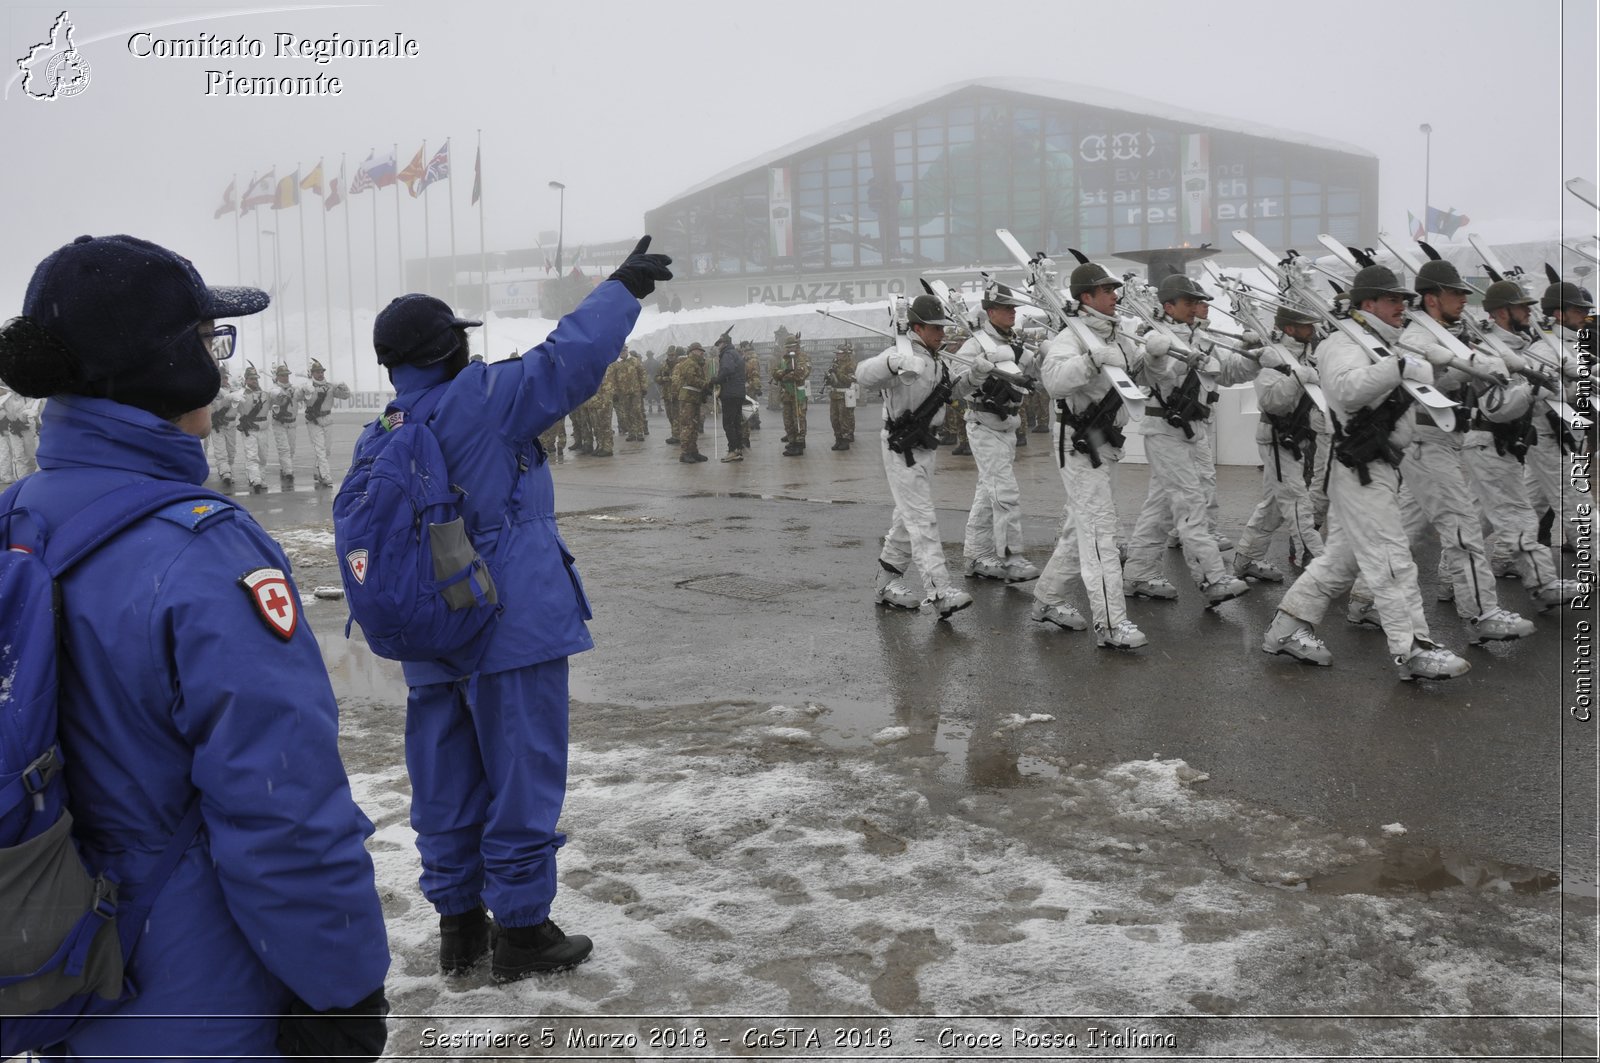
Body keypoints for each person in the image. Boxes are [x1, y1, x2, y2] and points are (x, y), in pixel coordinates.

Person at [0, 233, 390, 1058]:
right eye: (209, 339)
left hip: (55, 947)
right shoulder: (202, 549)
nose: (217, 356)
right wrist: (344, 986)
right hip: (195, 983)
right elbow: (281, 803)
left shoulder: (15, 519)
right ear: (171, 365)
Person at [360, 236, 671, 982]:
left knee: (445, 780)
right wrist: (621, 287)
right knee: (521, 776)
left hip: (428, 631)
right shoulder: (482, 400)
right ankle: (524, 932)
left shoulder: (383, 433)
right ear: (449, 349)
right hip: (508, 623)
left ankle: (459, 926)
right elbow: (569, 358)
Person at [1263, 265, 1471, 680]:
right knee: (1392, 559)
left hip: (1379, 465)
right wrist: (1397, 366)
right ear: (1368, 303)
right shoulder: (1345, 342)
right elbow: (1344, 390)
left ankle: (1285, 630)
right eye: (1394, 300)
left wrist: (1426, 367)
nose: (1402, 308)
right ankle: (1413, 647)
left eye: (1403, 301)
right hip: (1360, 467)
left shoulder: (1378, 343)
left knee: (1340, 562)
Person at [1030, 261, 1147, 648]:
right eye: (1106, 290)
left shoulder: (1118, 335)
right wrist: (1091, 360)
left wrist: (1156, 352)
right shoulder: (1071, 339)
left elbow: (1136, 369)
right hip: (1078, 444)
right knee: (1100, 531)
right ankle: (1111, 624)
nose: (1115, 296)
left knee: (1079, 528)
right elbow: (1053, 381)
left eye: (1114, 289)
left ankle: (1047, 598)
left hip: (1105, 442)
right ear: (1086, 298)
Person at [1121, 274, 1251, 607]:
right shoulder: (1153, 336)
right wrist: (1158, 356)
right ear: (1168, 306)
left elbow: (1228, 372)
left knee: (1162, 509)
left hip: (1195, 430)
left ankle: (1138, 574)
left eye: (1198, 302)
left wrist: (1253, 355)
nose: (1197, 308)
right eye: (1190, 302)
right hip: (1165, 430)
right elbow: (1146, 375)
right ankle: (1212, 577)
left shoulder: (1202, 337)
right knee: (1191, 501)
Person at [856, 295, 973, 619]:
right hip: (902, 447)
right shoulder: (901, 354)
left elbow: (950, 392)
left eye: (942, 328)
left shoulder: (937, 359)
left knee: (907, 520)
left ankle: (885, 584)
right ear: (918, 327)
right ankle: (939, 590)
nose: (941, 334)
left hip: (925, 445)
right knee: (922, 519)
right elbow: (862, 375)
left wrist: (975, 377)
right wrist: (892, 364)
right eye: (935, 328)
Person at [1468, 280, 1582, 608]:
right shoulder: (1490, 349)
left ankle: (1458, 578)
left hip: (1513, 441)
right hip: (1497, 437)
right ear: (1503, 312)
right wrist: (1538, 387)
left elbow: (1553, 390)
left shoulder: (1523, 347)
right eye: (1523, 307)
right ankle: (1543, 583)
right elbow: (1496, 405)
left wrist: (1578, 385)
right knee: (1525, 513)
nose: (1530, 312)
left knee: (1491, 515)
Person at [954, 278, 1040, 583]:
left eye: (1013, 307)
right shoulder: (976, 344)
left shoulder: (1013, 341)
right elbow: (955, 386)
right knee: (1003, 492)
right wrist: (978, 371)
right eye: (1005, 308)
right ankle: (1010, 556)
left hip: (1007, 425)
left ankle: (976, 556)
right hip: (983, 424)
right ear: (989, 312)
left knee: (987, 492)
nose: (1012, 312)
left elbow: (1032, 371)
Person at [1230, 304, 1325, 580]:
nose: (1312, 329)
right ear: (1289, 328)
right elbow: (1271, 401)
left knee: (1273, 506)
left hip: (1296, 436)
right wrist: (1296, 379)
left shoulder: (1308, 355)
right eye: (1306, 325)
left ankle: (1246, 558)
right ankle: (1320, 565)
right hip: (1276, 436)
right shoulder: (1273, 355)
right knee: (1297, 501)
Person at [303, 357, 353, 487]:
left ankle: (318, 470)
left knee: (327, 450)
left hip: (327, 419)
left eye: (322, 371)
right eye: (317, 372)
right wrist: (303, 390)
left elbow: (346, 395)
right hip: (314, 421)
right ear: (312, 373)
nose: (320, 374)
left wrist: (343, 386)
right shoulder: (307, 387)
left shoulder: (329, 386)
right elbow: (295, 397)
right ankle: (325, 476)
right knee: (320, 449)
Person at [267, 362, 307, 486]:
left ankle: (285, 466)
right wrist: (281, 394)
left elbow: (301, 396)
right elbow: (272, 396)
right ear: (277, 376)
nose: (285, 377)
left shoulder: (294, 389)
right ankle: (288, 471)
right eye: (283, 375)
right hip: (279, 423)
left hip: (292, 424)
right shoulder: (273, 389)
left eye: (287, 375)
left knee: (291, 449)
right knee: (284, 448)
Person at [234, 363, 271, 492]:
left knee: (263, 456)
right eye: (251, 378)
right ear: (246, 380)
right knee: (252, 455)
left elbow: (279, 402)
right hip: (249, 429)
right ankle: (255, 480)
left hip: (263, 428)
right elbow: (231, 407)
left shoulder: (265, 394)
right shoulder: (240, 394)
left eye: (255, 378)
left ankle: (260, 477)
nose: (254, 381)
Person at [673, 341, 711, 462]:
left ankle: (693, 451)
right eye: (699, 351)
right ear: (692, 351)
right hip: (688, 398)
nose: (701, 353)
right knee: (687, 425)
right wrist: (706, 385)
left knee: (694, 425)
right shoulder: (689, 363)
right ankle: (685, 453)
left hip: (694, 397)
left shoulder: (696, 363)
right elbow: (691, 379)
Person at [773, 334, 811, 456]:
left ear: (797, 346)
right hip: (787, 395)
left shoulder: (802, 357)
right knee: (788, 420)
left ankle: (799, 443)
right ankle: (792, 440)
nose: (790, 349)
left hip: (798, 394)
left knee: (798, 419)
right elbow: (775, 372)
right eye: (788, 347)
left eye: (792, 347)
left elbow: (801, 373)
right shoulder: (784, 360)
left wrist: (785, 376)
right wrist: (784, 372)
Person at [714, 331, 747, 462]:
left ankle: (733, 450)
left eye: (719, 344)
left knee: (728, 423)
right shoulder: (735, 354)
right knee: (736, 422)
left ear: (725, 343)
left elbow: (727, 369)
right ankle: (738, 449)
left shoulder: (727, 354)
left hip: (730, 393)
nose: (718, 347)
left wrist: (717, 379)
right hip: (738, 392)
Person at [207, 362, 240, 487]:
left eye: (226, 377)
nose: (225, 380)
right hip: (217, 426)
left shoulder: (233, 392)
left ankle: (228, 469)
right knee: (221, 451)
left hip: (231, 425)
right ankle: (225, 472)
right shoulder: (211, 393)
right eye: (222, 377)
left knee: (231, 452)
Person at [825, 341, 857, 451]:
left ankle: (845, 440)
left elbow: (850, 379)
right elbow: (832, 378)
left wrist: (837, 372)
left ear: (846, 354)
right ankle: (838, 439)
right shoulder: (835, 363)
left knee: (844, 418)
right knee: (834, 419)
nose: (837, 355)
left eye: (840, 353)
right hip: (834, 394)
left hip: (844, 394)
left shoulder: (850, 364)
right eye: (837, 354)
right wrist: (828, 376)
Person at [657, 345, 684, 445]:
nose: (671, 356)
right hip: (667, 394)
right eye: (669, 355)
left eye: (672, 355)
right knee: (670, 416)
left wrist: (673, 379)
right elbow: (657, 377)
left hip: (677, 394)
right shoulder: (663, 364)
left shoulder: (680, 364)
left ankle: (678, 435)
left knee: (677, 415)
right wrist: (662, 379)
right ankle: (675, 434)